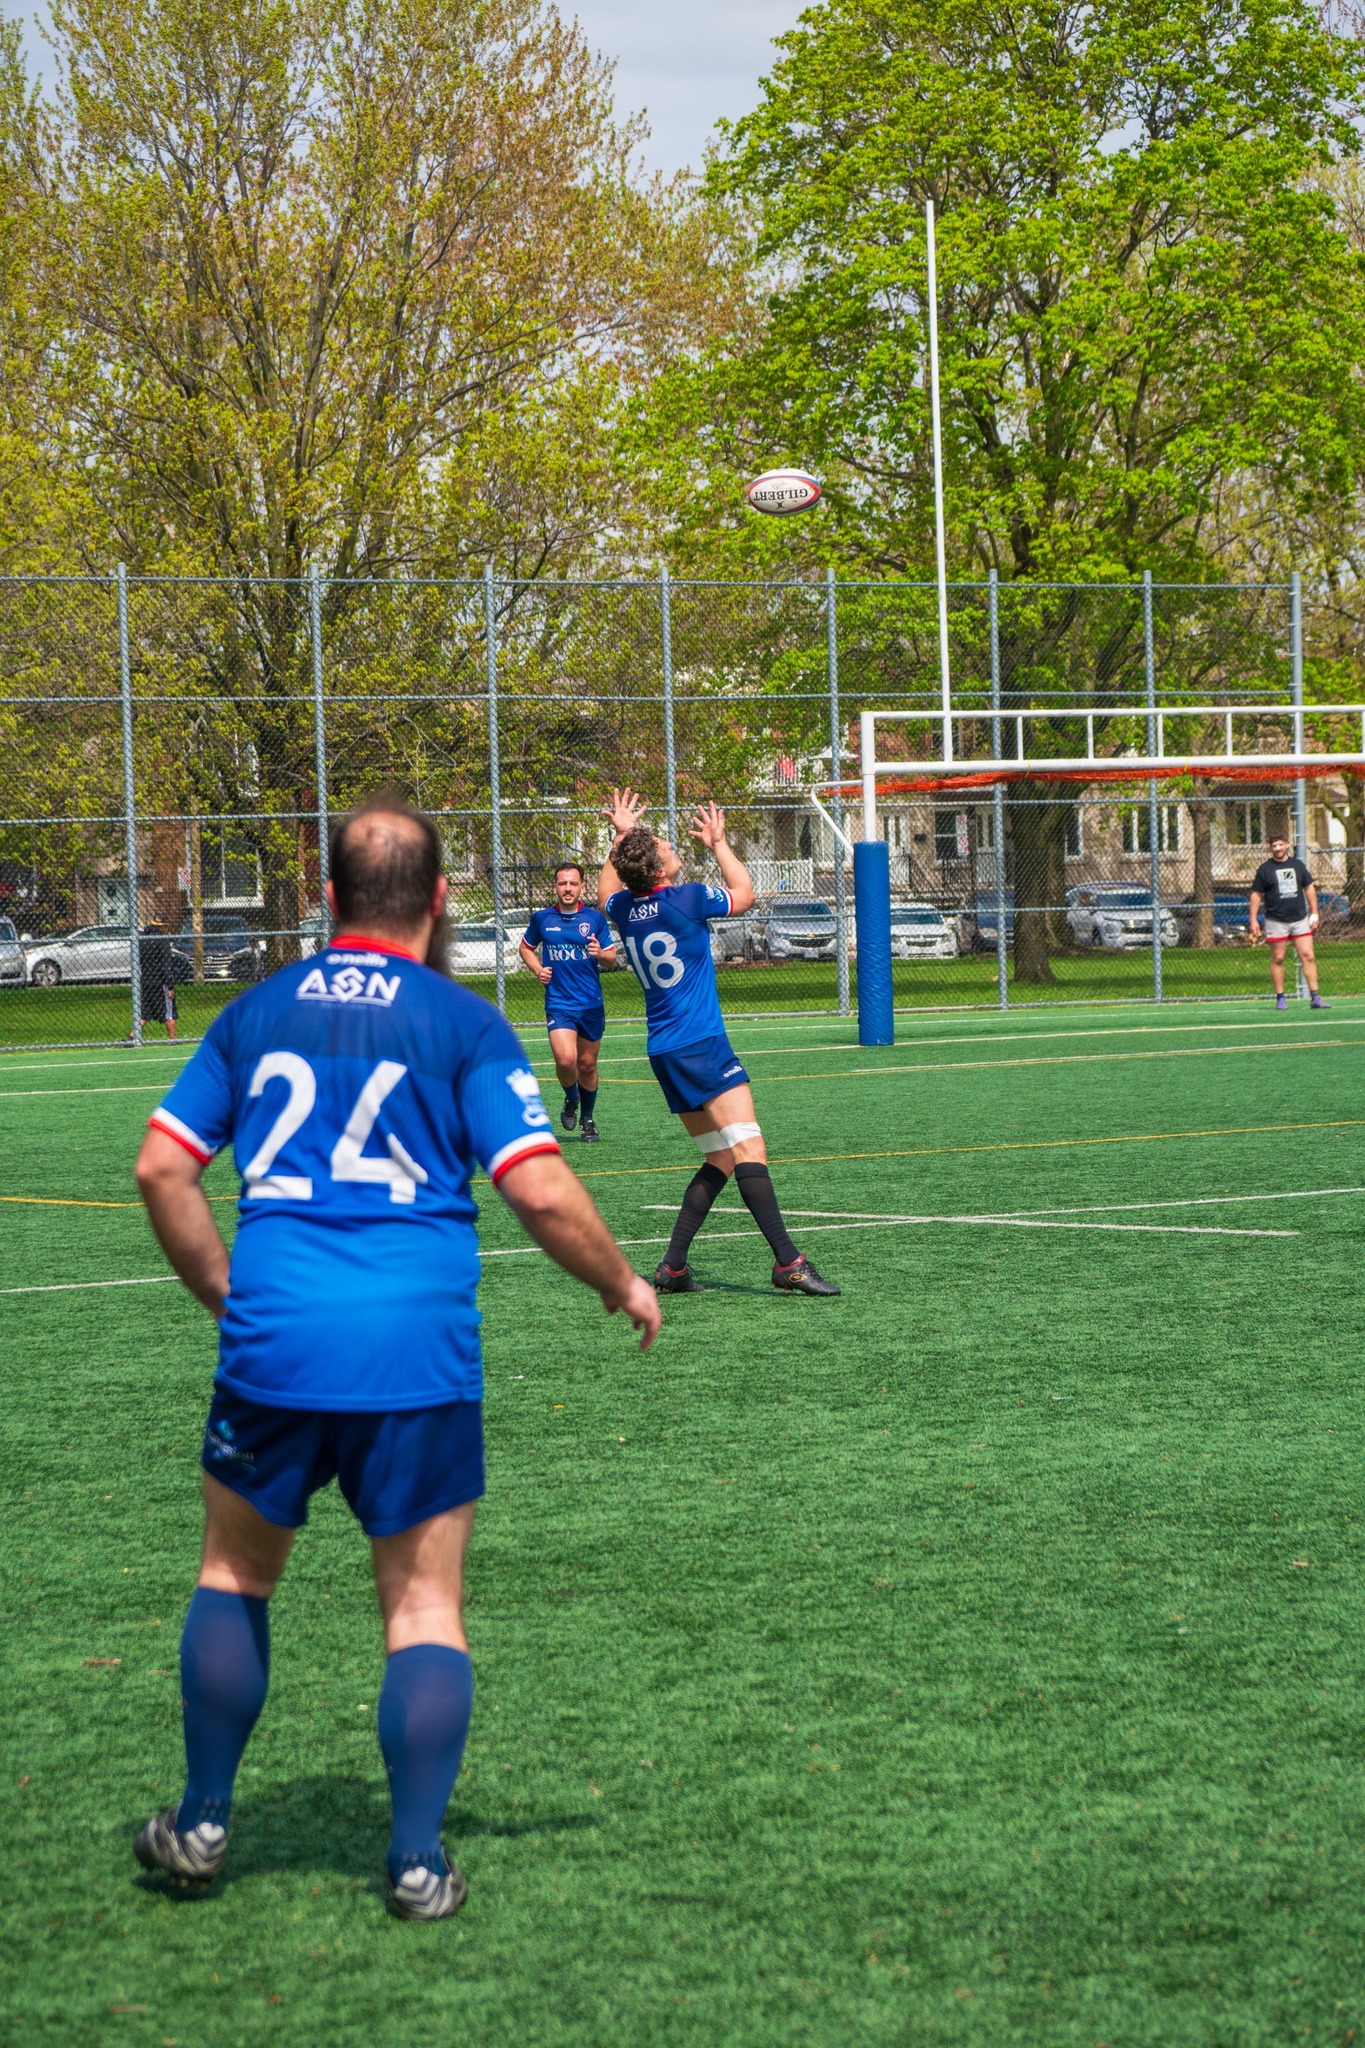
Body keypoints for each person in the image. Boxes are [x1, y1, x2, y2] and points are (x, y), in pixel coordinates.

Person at [132, 795, 660, 1919]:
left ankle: (205, 1818)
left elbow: (161, 1170)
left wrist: (229, 1289)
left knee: (235, 1575)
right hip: (416, 1356)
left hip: (274, 1345)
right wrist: (621, 1281)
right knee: (422, 1609)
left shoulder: (255, 1011)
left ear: (328, 902)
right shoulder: (462, 1025)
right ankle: (417, 1861)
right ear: (437, 903)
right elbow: (537, 1182)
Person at [599, 786, 838, 1299]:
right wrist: (719, 845)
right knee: (750, 1146)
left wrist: (620, 839)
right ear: (659, 869)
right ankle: (789, 1263)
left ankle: (673, 1268)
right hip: (700, 1043)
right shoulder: (684, 898)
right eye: (663, 844)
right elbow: (746, 893)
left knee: (722, 1157)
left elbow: (605, 895)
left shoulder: (621, 907)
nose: (669, 844)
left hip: (663, 1049)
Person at [519, 862, 616, 1142]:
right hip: (559, 1003)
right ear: (556, 887)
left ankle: (587, 1119)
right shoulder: (542, 919)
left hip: (590, 1004)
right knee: (565, 1059)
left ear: (582, 887)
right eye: (562, 883)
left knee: (586, 1066)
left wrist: (600, 953)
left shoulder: (595, 919)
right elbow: (526, 948)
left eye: (573, 883)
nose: (568, 888)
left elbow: (611, 957)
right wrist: (538, 969)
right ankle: (571, 1097)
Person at [1248, 829, 1329, 1011]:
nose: (1278, 848)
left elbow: (1309, 888)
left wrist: (1314, 912)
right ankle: (1281, 998)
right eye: (1274, 845)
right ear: (1270, 848)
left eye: (1280, 844)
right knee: (1278, 957)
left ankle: (1315, 997)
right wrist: (1253, 919)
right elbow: (1256, 894)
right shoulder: (1265, 870)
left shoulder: (1298, 866)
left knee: (1308, 955)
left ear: (1286, 845)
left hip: (1299, 919)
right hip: (1276, 921)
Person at [137, 921, 179, 1041]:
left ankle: (132, 1037)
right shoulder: (162, 940)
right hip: (160, 982)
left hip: (146, 981)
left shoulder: (143, 940)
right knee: (169, 1012)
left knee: (146, 1011)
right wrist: (170, 986)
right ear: (162, 926)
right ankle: (173, 1040)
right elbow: (166, 966)